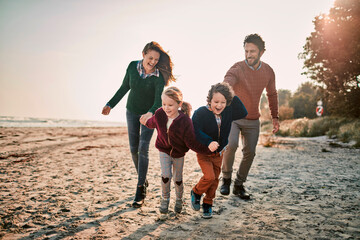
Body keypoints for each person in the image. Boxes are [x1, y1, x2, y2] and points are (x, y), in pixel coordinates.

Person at [102, 41, 175, 208]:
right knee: (133, 149)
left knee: (143, 148)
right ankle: (143, 178)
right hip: (132, 111)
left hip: (150, 115)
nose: (153, 62)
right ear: (143, 54)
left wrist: (150, 113)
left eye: (156, 59)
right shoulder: (132, 67)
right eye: (150, 58)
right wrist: (110, 104)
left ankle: (140, 188)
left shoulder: (158, 77)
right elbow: (124, 87)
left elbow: (158, 101)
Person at [220, 33, 280, 199]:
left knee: (250, 153)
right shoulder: (237, 68)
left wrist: (275, 117)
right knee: (230, 145)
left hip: (253, 118)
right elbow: (228, 81)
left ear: (262, 52)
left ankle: (239, 184)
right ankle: (226, 179)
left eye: (252, 51)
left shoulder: (268, 71)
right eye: (246, 51)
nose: (248, 55)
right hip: (233, 117)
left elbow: (272, 94)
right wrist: (223, 91)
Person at [141, 86, 212, 215]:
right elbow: (152, 122)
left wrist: (207, 150)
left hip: (179, 153)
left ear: (179, 104)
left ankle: (179, 200)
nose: (166, 108)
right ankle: (165, 200)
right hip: (163, 150)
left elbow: (191, 142)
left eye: (170, 105)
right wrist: (145, 122)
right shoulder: (160, 114)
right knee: (166, 176)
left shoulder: (185, 121)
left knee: (178, 179)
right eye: (164, 104)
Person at [190, 82, 247, 219]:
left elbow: (243, 112)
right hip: (204, 153)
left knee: (215, 181)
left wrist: (231, 96)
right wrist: (208, 141)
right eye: (216, 101)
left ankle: (208, 204)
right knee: (209, 177)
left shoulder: (228, 111)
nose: (219, 105)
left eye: (223, 102)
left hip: (219, 154)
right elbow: (195, 131)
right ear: (209, 100)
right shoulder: (200, 113)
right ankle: (196, 192)